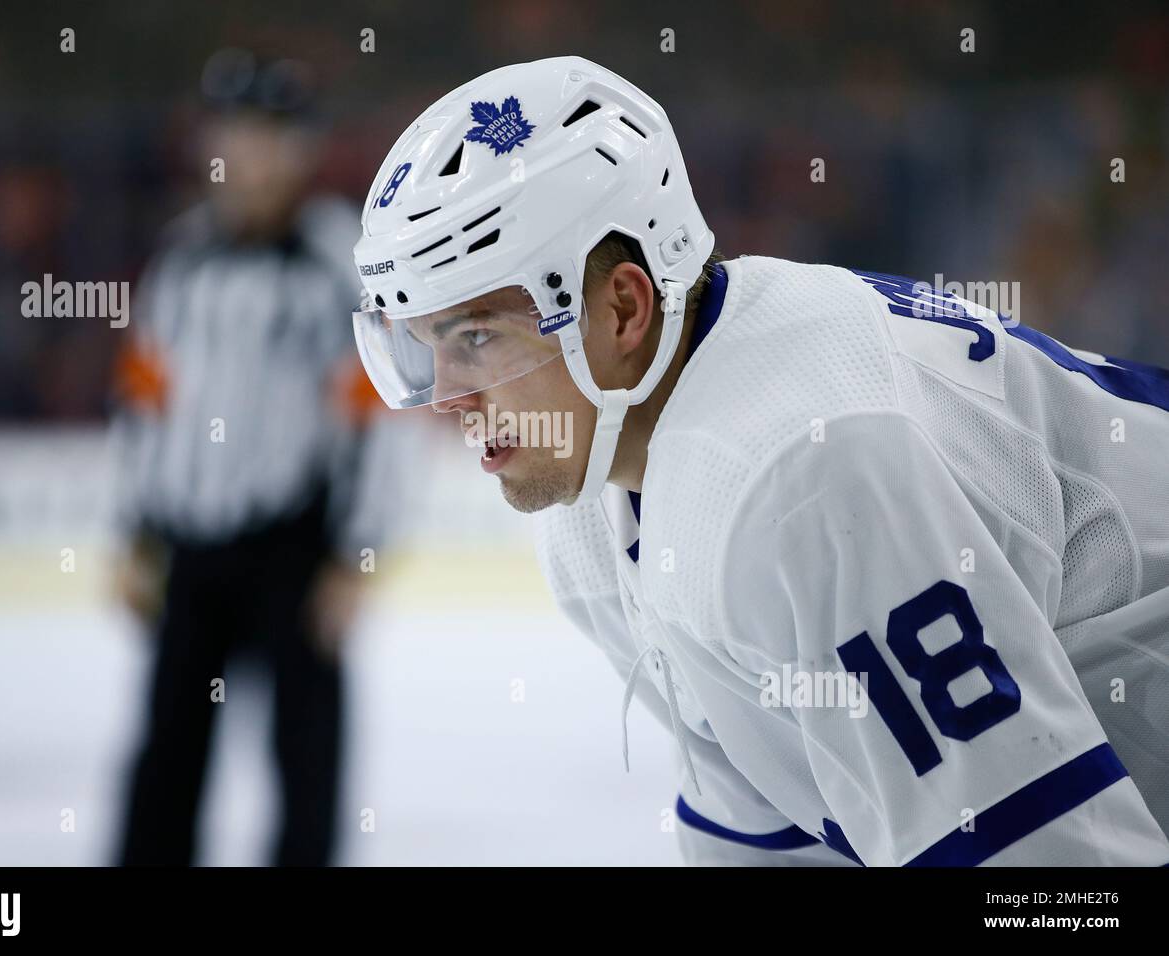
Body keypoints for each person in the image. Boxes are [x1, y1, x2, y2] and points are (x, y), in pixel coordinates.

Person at [347, 55, 1169, 865]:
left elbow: (1052, 875)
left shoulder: (801, 468)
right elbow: (780, 830)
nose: (447, 396)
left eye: (477, 336)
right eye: (423, 349)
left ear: (622, 307)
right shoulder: (598, 510)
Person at [111, 49, 380, 866]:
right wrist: (134, 533)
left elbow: (374, 419)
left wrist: (357, 556)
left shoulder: (341, 263)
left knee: (306, 762)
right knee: (166, 753)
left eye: (266, 136)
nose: (245, 155)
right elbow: (144, 407)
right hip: (190, 547)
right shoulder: (181, 260)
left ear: (300, 148)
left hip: (295, 548)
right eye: (230, 133)